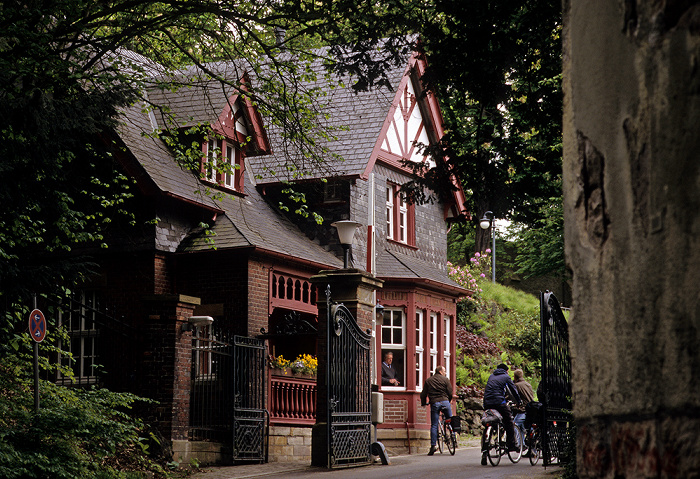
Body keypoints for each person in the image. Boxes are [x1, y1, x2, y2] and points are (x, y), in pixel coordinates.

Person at [481, 363, 521, 465]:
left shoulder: (491, 376)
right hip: (499, 402)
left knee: (489, 422)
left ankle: (484, 452)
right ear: (506, 371)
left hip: (487, 403)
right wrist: (518, 402)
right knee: (509, 421)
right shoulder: (506, 377)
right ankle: (511, 444)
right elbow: (513, 391)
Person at [420, 365, 453, 456]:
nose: (445, 373)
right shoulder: (446, 380)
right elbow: (450, 392)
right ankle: (452, 435)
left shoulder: (428, 380)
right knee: (450, 419)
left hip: (435, 403)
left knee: (434, 424)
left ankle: (433, 446)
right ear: (440, 372)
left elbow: (423, 394)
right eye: (444, 371)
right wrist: (448, 401)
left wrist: (423, 403)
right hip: (445, 401)